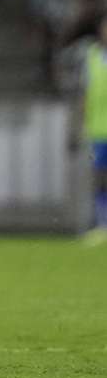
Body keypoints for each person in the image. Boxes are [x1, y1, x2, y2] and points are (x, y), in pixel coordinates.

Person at [76, 16, 107, 243]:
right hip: (98, 130)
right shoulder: (92, 57)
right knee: (99, 178)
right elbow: (85, 93)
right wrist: (81, 123)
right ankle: (102, 224)